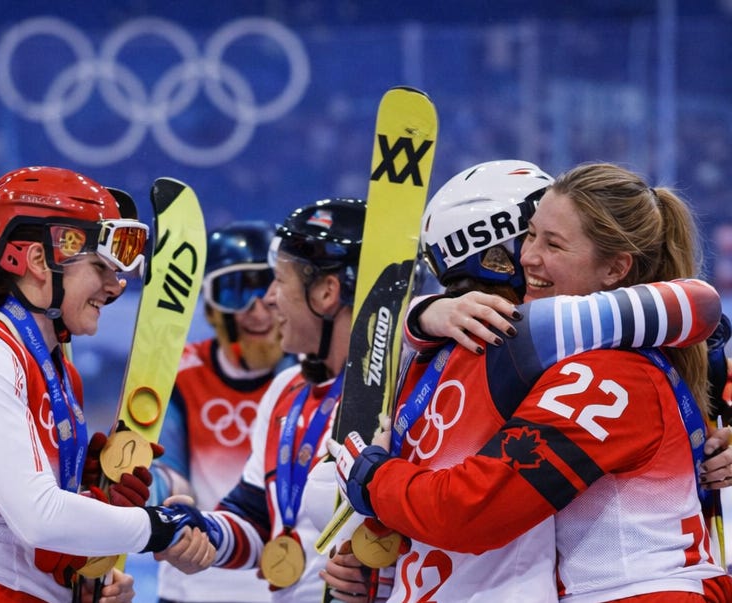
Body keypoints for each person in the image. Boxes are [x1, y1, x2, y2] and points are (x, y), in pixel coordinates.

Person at [335, 162, 732, 601]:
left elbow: (469, 513)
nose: (527, 258)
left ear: (616, 269)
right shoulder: (579, 353)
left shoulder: (602, 371)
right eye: (529, 235)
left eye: (553, 244)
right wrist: (423, 316)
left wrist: (370, 477)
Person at [0, 166, 216, 603]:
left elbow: (27, 537)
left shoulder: (60, 373)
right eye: (100, 266)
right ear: (37, 261)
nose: (115, 286)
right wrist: (159, 527)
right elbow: (37, 516)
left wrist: (85, 573)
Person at [155, 197, 397, 602]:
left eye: (278, 281)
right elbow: (255, 516)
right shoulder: (287, 389)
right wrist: (203, 531)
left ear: (326, 292)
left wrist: (387, 579)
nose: (267, 300)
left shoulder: (402, 391)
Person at [149, 220, 289, 603]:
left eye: (269, 288)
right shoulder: (177, 374)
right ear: (211, 308)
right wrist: (145, 491)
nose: (258, 310)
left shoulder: (310, 378)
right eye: (236, 290)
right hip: (191, 584)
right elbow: (167, 471)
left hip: (280, 588)